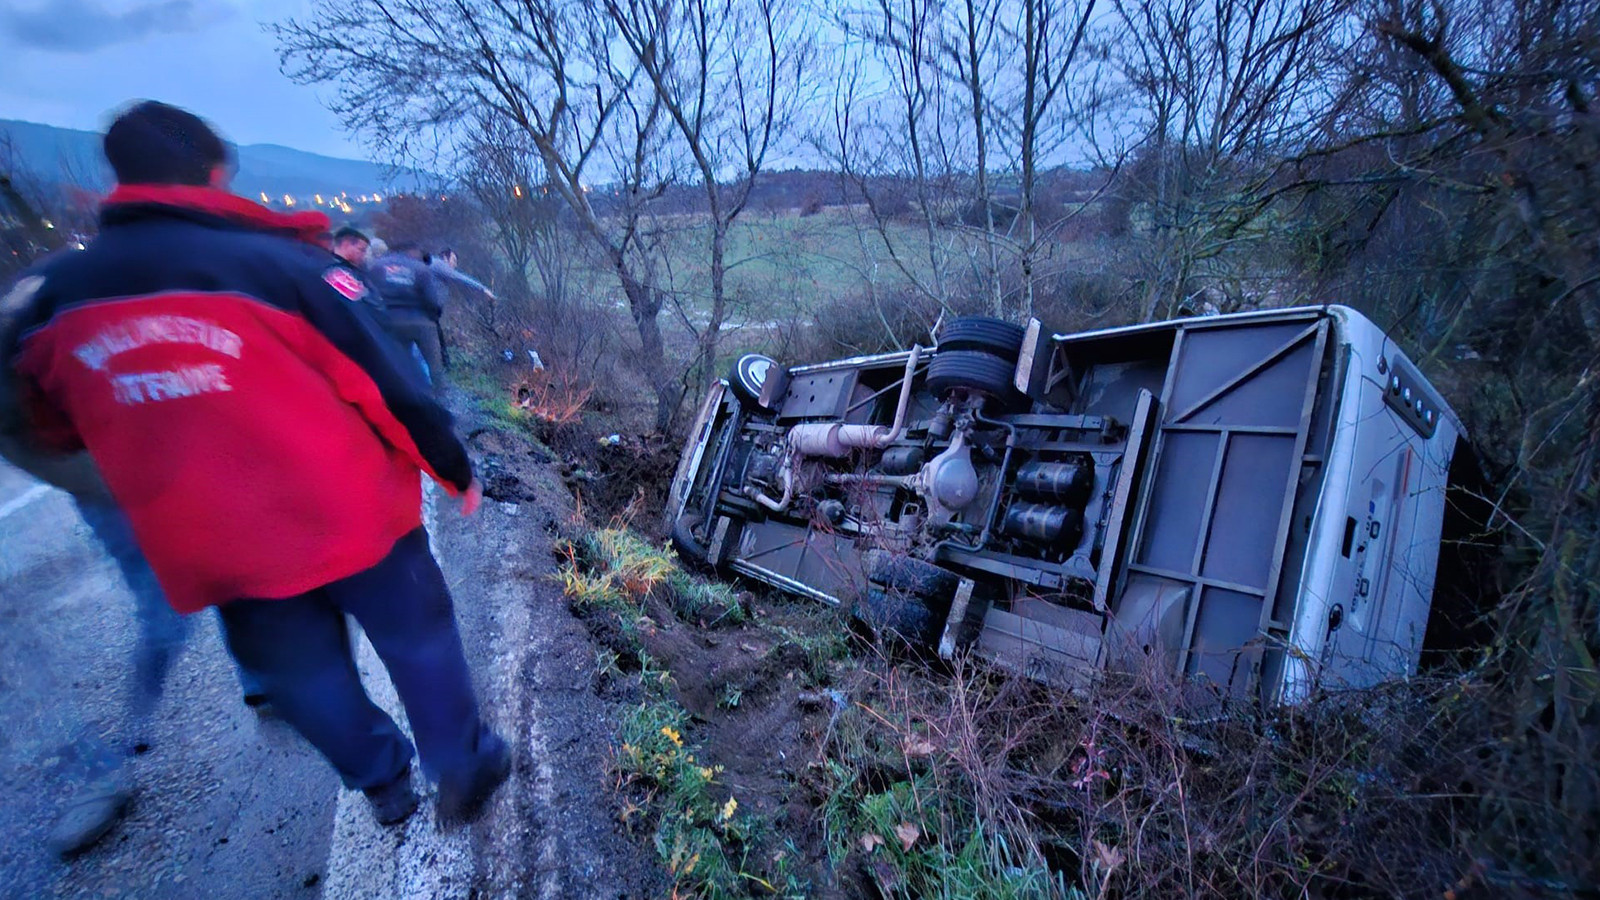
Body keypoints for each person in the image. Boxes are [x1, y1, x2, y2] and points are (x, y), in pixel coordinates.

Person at [4, 100, 510, 829]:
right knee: (418, 635)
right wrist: (453, 468)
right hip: (351, 516)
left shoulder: (53, 299)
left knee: (302, 677)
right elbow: (387, 384)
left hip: (215, 548)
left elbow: (44, 425)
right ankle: (462, 765)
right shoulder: (282, 267)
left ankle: (383, 781)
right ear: (213, 173)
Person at [370, 241, 447, 386]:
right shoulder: (421, 268)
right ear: (411, 250)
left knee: (396, 363)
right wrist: (434, 317)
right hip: (421, 322)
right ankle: (442, 397)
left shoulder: (377, 266)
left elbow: (370, 295)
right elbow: (432, 300)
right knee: (435, 366)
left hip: (390, 322)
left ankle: (400, 395)